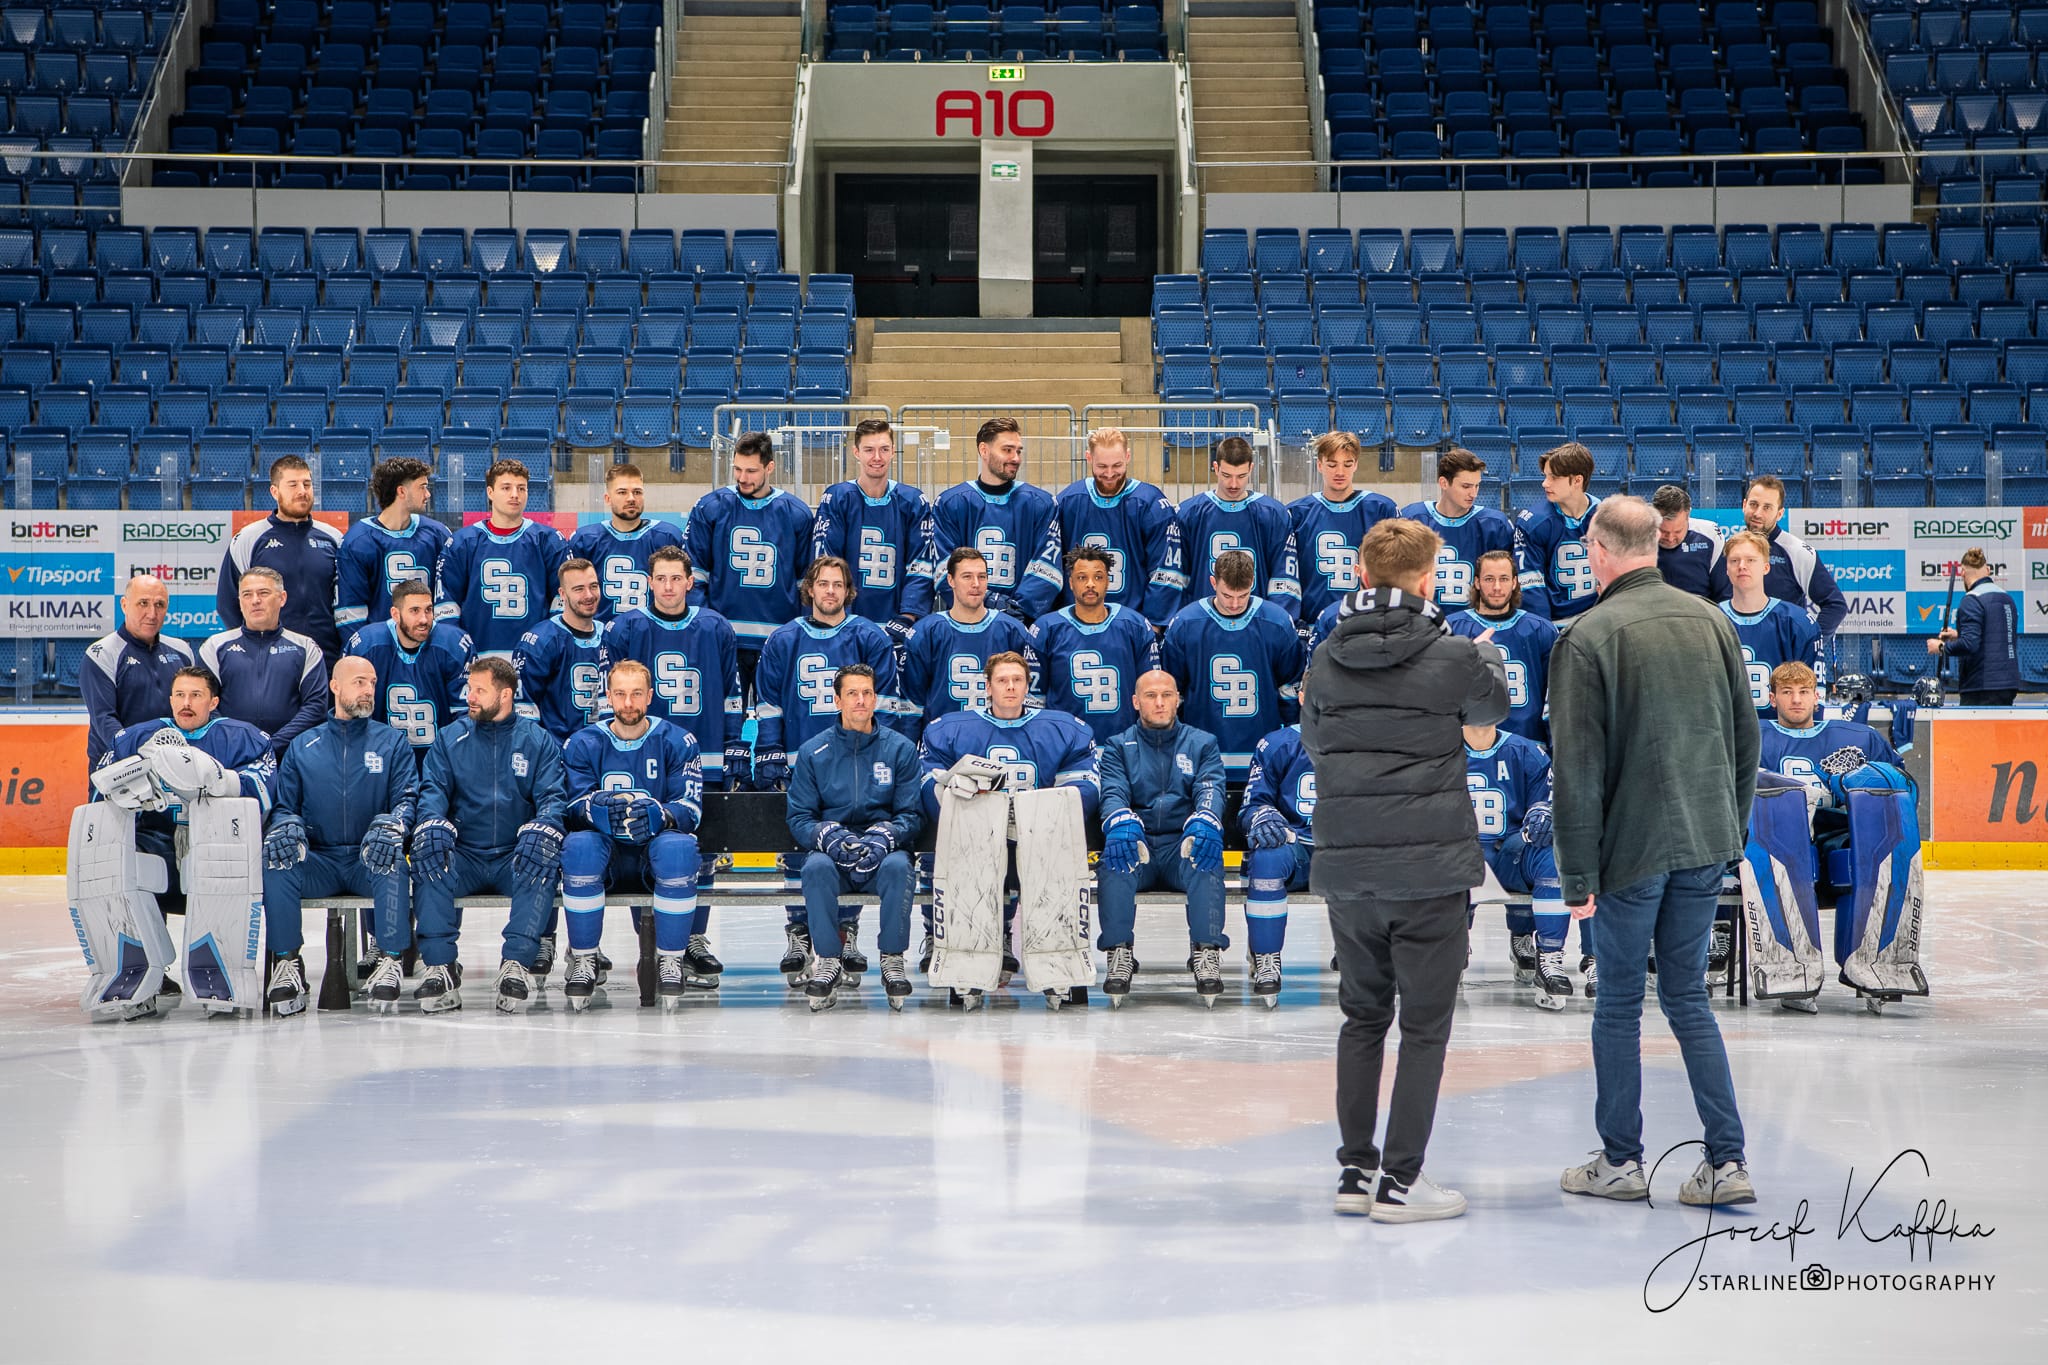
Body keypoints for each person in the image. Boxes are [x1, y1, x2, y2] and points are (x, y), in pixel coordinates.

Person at [1549, 495, 1758, 1209]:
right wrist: (1730, 832)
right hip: (1705, 841)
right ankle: (1727, 1161)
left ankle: (1621, 1159)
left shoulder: (1586, 636)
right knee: (1687, 998)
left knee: (1617, 1005)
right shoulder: (1712, 620)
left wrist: (1576, 872)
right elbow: (1745, 739)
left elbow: (1575, 771)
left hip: (1629, 851)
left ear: (1601, 551)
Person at [1303, 517, 1510, 1224]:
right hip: (1429, 867)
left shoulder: (1326, 656)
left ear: (1362, 575)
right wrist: (1489, 664)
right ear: (1428, 581)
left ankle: (1356, 1173)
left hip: (1348, 867)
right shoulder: (1454, 653)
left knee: (1362, 1017)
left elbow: (1315, 740)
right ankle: (1402, 1181)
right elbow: (1493, 712)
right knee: (1424, 1026)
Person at [754, 556, 905, 976]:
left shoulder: (869, 636)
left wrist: (881, 754)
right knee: (799, 849)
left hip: (857, 760)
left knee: (856, 841)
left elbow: (886, 703)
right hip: (798, 761)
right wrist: (769, 753)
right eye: (823, 584)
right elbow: (768, 702)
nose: (831, 591)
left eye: (839, 584)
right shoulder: (784, 639)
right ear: (810, 589)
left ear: (849, 591)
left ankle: (848, 928)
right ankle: (798, 930)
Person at [918, 652, 1100, 982]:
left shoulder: (1063, 729)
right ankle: (967, 946)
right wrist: (957, 796)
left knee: (1052, 860)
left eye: (1018, 680)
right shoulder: (949, 730)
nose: (1011, 687)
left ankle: (1056, 955)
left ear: (1027, 685)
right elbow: (931, 783)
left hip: (1039, 837)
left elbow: (1084, 787)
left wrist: (1042, 815)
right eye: (1002, 680)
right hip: (976, 837)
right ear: (988, 686)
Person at [92, 665, 277, 990]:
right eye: (179, 694)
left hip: (217, 848)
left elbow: (265, 790)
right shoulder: (136, 737)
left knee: (230, 859)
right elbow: (99, 790)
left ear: (214, 702)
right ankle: (137, 969)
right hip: (157, 845)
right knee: (124, 863)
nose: (186, 702)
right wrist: (129, 787)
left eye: (195, 695)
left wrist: (223, 779)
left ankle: (221, 972)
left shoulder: (243, 738)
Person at [258, 656, 419, 1016]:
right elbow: (285, 806)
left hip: (367, 860)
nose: (368, 691)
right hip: (321, 861)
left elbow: (408, 800)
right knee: (278, 858)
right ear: (335, 686)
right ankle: (287, 963)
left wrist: (393, 825)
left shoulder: (392, 742)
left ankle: (390, 961)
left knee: (392, 856)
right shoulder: (303, 745)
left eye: (373, 684)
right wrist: (287, 826)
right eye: (360, 682)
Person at [410, 656, 568, 1014]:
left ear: (506, 694)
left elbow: (552, 797)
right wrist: (431, 823)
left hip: (514, 855)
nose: (471, 697)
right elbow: (432, 789)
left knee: (539, 854)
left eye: (480, 690)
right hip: (464, 855)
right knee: (429, 854)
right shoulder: (451, 738)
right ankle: (440, 967)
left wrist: (543, 827)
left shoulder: (537, 740)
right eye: (470, 689)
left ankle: (516, 964)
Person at [560, 660, 705, 1003]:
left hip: (652, 858)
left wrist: (663, 815)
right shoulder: (582, 743)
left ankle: (671, 959)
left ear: (650, 696)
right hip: (604, 858)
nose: (628, 704)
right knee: (578, 845)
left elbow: (692, 808)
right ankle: (584, 958)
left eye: (636, 694)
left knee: (679, 849)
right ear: (608, 696)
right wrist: (591, 808)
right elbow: (569, 807)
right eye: (621, 694)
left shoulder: (678, 740)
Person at [785, 663, 926, 1010]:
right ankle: (829, 960)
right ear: (838, 700)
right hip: (834, 853)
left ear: (876, 698)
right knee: (815, 867)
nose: (861, 700)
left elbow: (912, 814)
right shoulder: (813, 752)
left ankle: (893, 958)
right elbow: (800, 816)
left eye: (867, 693)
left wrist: (887, 834)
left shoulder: (901, 749)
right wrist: (826, 835)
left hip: (882, 852)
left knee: (898, 867)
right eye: (852, 693)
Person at [1095, 670, 1229, 1005]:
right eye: (1151, 695)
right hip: (1139, 844)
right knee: (1116, 860)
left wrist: (1206, 820)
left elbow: (1210, 787)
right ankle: (1119, 951)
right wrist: (1121, 822)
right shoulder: (1116, 747)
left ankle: (1206, 950)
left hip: (1178, 846)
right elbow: (1112, 792)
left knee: (1205, 855)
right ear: (1135, 702)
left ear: (1178, 699)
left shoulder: (1203, 743)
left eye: (1167, 695)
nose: (1159, 702)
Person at [683, 431, 816, 694]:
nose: (743, 478)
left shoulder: (797, 514)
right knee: (726, 719)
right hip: (726, 638)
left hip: (778, 639)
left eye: (752, 471)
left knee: (778, 719)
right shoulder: (709, 508)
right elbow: (694, 577)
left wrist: (799, 634)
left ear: (770, 467)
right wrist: (708, 628)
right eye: (738, 469)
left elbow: (806, 584)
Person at [602, 545, 743, 789]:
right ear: (649, 582)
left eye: (676, 579)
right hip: (642, 757)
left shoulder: (716, 627)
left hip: (705, 757)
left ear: (690, 583)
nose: (668, 587)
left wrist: (733, 745)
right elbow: (608, 700)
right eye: (661, 579)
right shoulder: (624, 629)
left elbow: (731, 695)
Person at [1463, 719, 1581, 1008]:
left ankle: (1549, 958)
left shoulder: (1526, 751)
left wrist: (1543, 813)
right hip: (1457, 855)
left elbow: (1548, 800)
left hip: (1509, 854)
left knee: (1552, 856)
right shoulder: (1437, 751)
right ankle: (1450, 947)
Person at [1160, 549, 1303, 778]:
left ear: (1253, 583)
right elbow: (1171, 692)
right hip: (1201, 754)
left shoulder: (1277, 623)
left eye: (1243, 595)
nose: (1235, 604)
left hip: (1263, 750)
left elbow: (1291, 688)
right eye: (1227, 595)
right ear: (1213, 582)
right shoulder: (1185, 625)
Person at [811, 419, 938, 653]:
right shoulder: (837, 499)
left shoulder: (913, 502)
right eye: (869, 450)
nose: (877, 457)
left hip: (897, 625)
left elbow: (922, 564)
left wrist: (907, 617)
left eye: (884, 449)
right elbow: (827, 563)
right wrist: (842, 618)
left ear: (893, 452)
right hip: (843, 624)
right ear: (856, 452)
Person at [217, 454, 345, 666]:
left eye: (307, 484)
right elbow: (228, 603)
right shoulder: (249, 538)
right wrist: (251, 648)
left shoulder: (333, 538)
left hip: (326, 658)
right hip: (267, 660)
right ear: (274, 492)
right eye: (293, 485)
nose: (302, 491)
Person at [932, 416, 1064, 622]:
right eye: (1007, 450)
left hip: (1022, 623)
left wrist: (1018, 609)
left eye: (1018, 451)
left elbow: (1048, 565)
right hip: (967, 620)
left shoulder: (1041, 504)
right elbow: (944, 567)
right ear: (984, 450)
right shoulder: (951, 503)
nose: (1016, 458)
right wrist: (986, 602)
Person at [1053, 426, 1186, 627]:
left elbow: (1167, 571)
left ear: (1128, 456)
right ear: (1088, 458)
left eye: (1117, 465)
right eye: (1101, 466)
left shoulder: (1150, 504)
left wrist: (1155, 625)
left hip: (1132, 623)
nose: (1109, 474)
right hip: (1076, 622)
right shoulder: (1069, 501)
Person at [435, 459, 569, 658]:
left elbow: (563, 599)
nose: (515, 494)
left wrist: (547, 647)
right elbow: (446, 606)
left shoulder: (548, 540)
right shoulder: (462, 543)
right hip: (478, 660)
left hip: (535, 659)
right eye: (506, 488)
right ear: (490, 492)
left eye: (521, 488)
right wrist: (460, 651)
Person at [1032, 546, 1162, 744]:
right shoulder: (1047, 628)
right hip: (1066, 747)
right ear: (1071, 583)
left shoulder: (1134, 625)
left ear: (1108, 581)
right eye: (1082, 578)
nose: (1090, 584)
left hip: (1124, 746)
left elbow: (1150, 691)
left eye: (1098, 577)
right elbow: (1034, 697)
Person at [900, 547, 1039, 733]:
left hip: (1000, 740)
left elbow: (1029, 697)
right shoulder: (926, 633)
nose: (976, 584)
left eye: (982, 577)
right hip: (944, 742)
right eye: (967, 576)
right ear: (951, 580)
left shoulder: (1012, 630)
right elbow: (911, 703)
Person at [199, 566, 329, 758]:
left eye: (264, 593)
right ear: (240, 601)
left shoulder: (306, 647)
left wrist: (271, 745)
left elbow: (315, 707)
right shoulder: (214, 647)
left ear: (282, 598)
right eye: (247, 594)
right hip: (230, 755)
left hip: (289, 757)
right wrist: (238, 741)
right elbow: (204, 703)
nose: (255, 601)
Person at [344, 578, 473, 763]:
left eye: (428, 610)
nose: (423, 619)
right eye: (414, 611)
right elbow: (350, 715)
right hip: (382, 760)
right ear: (395, 614)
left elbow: (466, 715)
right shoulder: (366, 645)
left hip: (441, 761)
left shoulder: (454, 644)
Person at [1707, 475, 1847, 638]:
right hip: (1736, 652)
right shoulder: (1729, 549)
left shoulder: (1796, 552)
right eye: (1753, 504)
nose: (1758, 513)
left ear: (1780, 513)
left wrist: (1810, 643)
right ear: (1744, 505)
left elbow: (1835, 605)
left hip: (1781, 657)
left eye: (1767, 507)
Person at [1176, 436, 1300, 616]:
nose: (1234, 484)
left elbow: (1284, 576)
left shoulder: (1273, 514)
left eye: (1241, 476)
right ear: (1216, 468)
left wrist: (1276, 622)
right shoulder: (1189, 513)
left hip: (1256, 621)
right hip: (1203, 619)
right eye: (1227, 475)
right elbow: (1179, 576)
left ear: (1251, 468)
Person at [1445, 549, 1559, 743]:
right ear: (1477, 582)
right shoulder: (1452, 627)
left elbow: (1554, 697)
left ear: (1514, 582)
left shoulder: (1542, 631)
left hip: (1529, 743)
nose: (1497, 587)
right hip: (1469, 746)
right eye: (1489, 579)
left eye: (1504, 579)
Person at [335, 457, 450, 645]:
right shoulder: (358, 541)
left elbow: (447, 599)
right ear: (401, 491)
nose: (428, 494)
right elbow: (349, 613)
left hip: (427, 647)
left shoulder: (437, 534)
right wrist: (368, 652)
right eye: (422, 487)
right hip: (381, 648)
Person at [1289, 430, 1398, 629]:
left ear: (1356, 465)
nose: (1340, 472)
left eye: (1347, 464)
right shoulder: (1298, 513)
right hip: (1314, 624)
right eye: (1332, 464)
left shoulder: (1381, 509)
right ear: (1319, 465)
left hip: (1367, 625)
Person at [1239, 721, 1316, 1002]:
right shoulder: (1277, 744)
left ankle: (1368, 956)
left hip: (1343, 849)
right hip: (1294, 848)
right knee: (1266, 860)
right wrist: (1263, 815)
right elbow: (1252, 803)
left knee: (1380, 861)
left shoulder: (1364, 738)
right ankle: (1265, 957)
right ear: (1302, 696)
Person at [83, 574, 194, 768]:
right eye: (143, 603)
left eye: (160, 605)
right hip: (118, 768)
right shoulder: (101, 654)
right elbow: (105, 720)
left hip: (173, 765)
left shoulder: (182, 651)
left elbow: (195, 707)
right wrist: (140, 759)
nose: (152, 614)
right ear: (124, 605)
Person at [1718, 529, 1823, 717]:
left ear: (1766, 567)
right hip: (1727, 737)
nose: (1742, 566)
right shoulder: (1711, 620)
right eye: (1734, 561)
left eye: (1751, 560)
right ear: (1726, 569)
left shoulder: (1797, 623)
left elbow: (1813, 699)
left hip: (1782, 737)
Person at [1398, 447, 1516, 610]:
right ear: (1444, 483)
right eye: (1466, 486)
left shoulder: (1495, 524)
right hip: (1421, 623)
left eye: (1477, 486)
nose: (1473, 494)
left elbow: (1507, 582)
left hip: (1474, 625)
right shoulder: (1412, 519)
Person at [565, 462, 687, 621]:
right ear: (607, 498)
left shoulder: (667, 537)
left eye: (637, 492)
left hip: (653, 633)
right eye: (622, 492)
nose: (631, 498)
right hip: (602, 635)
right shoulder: (585, 540)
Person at [511, 558, 613, 741]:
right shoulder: (541, 642)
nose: (589, 595)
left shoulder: (611, 637)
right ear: (562, 594)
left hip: (604, 752)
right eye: (579, 589)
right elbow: (524, 711)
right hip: (558, 754)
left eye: (594, 586)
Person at [1515, 441, 1602, 621]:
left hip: (1599, 620)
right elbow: (1531, 585)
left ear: (1577, 480)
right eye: (1545, 476)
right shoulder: (1533, 522)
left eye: (1553, 477)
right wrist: (1544, 632)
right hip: (1556, 624)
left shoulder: (1608, 517)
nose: (1545, 484)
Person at [1929, 547, 2020, 706]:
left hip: (1981, 685)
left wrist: (1941, 647)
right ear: (1988, 570)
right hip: (2008, 683)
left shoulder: (1972, 600)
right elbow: (1996, 633)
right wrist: (1958, 635)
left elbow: (1970, 645)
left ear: (1962, 573)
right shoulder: (2007, 598)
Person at [1650, 484, 1722, 600]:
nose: (1670, 538)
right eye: (1663, 531)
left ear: (1688, 516)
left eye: (1678, 531)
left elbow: (1724, 592)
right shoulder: (1639, 538)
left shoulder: (1710, 535)